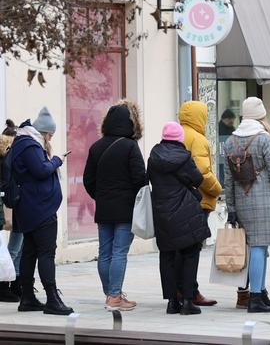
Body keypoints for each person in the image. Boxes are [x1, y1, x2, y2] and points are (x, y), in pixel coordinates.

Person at [224, 97, 270, 313]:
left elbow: (228, 179)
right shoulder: (264, 139)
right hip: (265, 199)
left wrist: (231, 207)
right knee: (259, 247)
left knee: (257, 246)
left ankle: (262, 291)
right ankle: (256, 297)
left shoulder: (231, 140)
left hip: (242, 201)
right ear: (260, 115)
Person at [8, 108, 73, 315]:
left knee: (30, 252)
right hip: (39, 208)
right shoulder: (29, 145)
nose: (50, 139)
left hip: (31, 207)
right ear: (44, 132)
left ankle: (27, 297)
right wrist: (57, 160)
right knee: (46, 252)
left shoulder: (23, 142)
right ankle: (52, 299)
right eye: (50, 135)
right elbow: (41, 170)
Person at [83, 100, 146, 311]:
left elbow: (88, 180)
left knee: (105, 253)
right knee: (119, 252)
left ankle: (111, 293)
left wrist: (100, 196)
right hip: (126, 208)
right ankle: (115, 296)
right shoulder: (130, 146)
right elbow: (140, 179)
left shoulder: (96, 147)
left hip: (104, 208)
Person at [148, 122, 210, 315]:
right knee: (190, 253)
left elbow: (148, 178)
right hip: (184, 212)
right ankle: (188, 301)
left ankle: (172, 301)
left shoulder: (153, 157)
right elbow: (198, 180)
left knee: (167, 256)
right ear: (180, 138)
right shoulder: (183, 157)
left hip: (162, 213)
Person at [178, 101, 222, 307]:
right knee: (193, 250)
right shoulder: (198, 139)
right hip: (199, 200)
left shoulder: (177, 133)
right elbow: (203, 173)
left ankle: (180, 289)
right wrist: (217, 189)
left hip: (177, 201)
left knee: (180, 249)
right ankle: (191, 291)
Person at [1, 120, 22, 300]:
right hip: (10, 203)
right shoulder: (6, 157)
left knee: (18, 244)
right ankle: (6, 285)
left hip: (15, 203)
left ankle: (15, 282)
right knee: (13, 247)